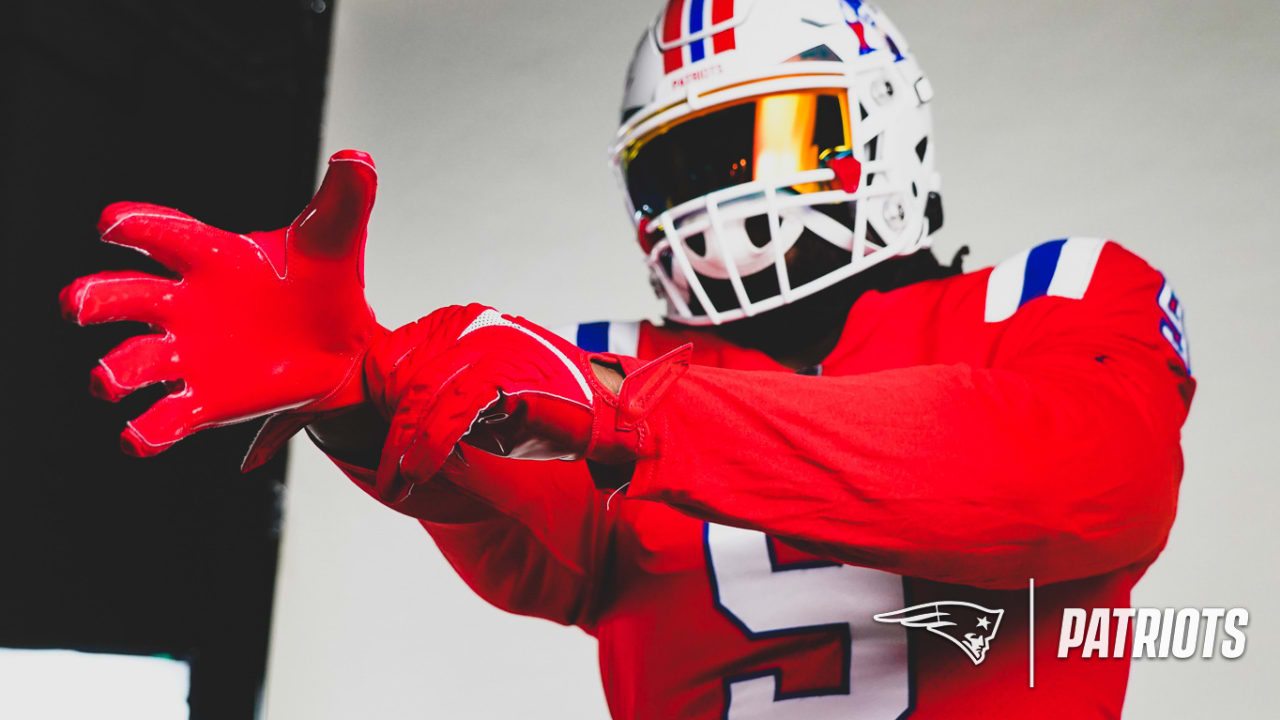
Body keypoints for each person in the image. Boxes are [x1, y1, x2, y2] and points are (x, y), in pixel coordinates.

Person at [61, 1, 1195, 717]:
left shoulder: (1053, 290)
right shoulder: (603, 365)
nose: (715, 198)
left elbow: (1079, 482)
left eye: (760, 139)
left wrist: (630, 419)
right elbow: (522, 524)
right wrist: (363, 392)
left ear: (882, 129)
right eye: (678, 164)